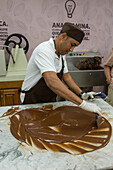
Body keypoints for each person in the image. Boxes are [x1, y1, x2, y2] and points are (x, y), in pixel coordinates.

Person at [20, 22, 101, 114]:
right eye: (72, 44)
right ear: (63, 37)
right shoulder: (44, 50)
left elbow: (67, 77)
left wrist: (82, 94)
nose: (72, 50)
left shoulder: (62, 55)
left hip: (49, 102)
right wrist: (82, 104)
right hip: (32, 102)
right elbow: (52, 81)